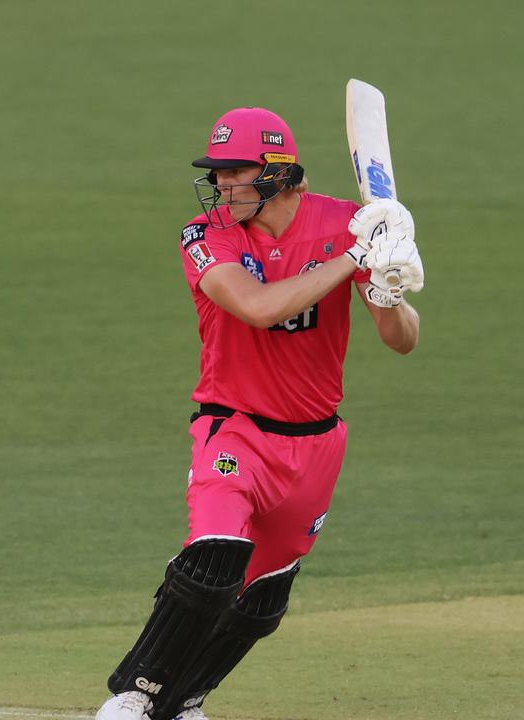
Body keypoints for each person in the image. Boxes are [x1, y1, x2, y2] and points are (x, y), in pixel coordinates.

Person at [93, 106, 423, 720]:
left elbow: (401, 339)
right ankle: (134, 695)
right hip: (233, 427)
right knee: (214, 558)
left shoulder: (348, 223)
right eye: (215, 173)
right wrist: (355, 258)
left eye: (232, 172)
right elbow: (256, 306)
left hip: (316, 443)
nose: (219, 185)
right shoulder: (207, 234)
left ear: (274, 172)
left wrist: (388, 287)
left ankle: (183, 702)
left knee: (260, 600)